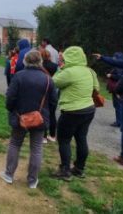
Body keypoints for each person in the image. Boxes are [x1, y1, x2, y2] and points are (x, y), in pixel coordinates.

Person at [0, 50, 58, 189]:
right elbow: (53, 101)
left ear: (25, 61)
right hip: (40, 118)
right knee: (36, 149)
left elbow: (10, 97)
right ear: (40, 62)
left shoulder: (19, 76)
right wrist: (47, 114)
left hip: (20, 117)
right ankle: (32, 181)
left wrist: (11, 110)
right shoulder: (48, 79)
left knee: (15, 144)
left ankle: (9, 174)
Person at [51, 46, 98, 181]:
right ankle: (79, 168)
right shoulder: (89, 71)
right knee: (81, 138)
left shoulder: (69, 72)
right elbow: (96, 88)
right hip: (89, 109)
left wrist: (60, 68)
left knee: (64, 140)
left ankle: (65, 170)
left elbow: (54, 82)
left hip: (72, 111)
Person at [93, 52, 123, 127]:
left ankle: (119, 122)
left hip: (118, 89)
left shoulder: (119, 67)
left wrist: (111, 75)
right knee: (118, 105)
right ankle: (120, 121)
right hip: (118, 88)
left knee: (118, 105)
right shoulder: (120, 66)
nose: (113, 59)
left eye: (115, 58)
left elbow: (119, 77)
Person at [39, 48, 59, 142]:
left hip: (43, 90)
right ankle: (52, 135)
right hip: (53, 91)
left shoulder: (40, 66)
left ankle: (43, 136)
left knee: (43, 113)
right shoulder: (55, 66)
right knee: (52, 114)